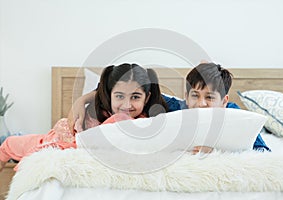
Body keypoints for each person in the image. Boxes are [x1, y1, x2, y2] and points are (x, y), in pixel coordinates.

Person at [68, 63, 270, 153]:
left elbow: (262, 152)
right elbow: (134, 92)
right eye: (194, 95)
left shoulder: (235, 115)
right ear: (185, 96)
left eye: (209, 97)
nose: (200, 103)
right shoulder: (176, 107)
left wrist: (219, 152)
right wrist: (83, 100)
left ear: (224, 101)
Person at [0, 63, 168, 172]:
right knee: (8, 145)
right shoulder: (97, 111)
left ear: (147, 98)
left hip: (73, 144)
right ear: (109, 95)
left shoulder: (149, 122)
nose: (126, 104)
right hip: (57, 137)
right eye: (119, 96)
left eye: (135, 97)